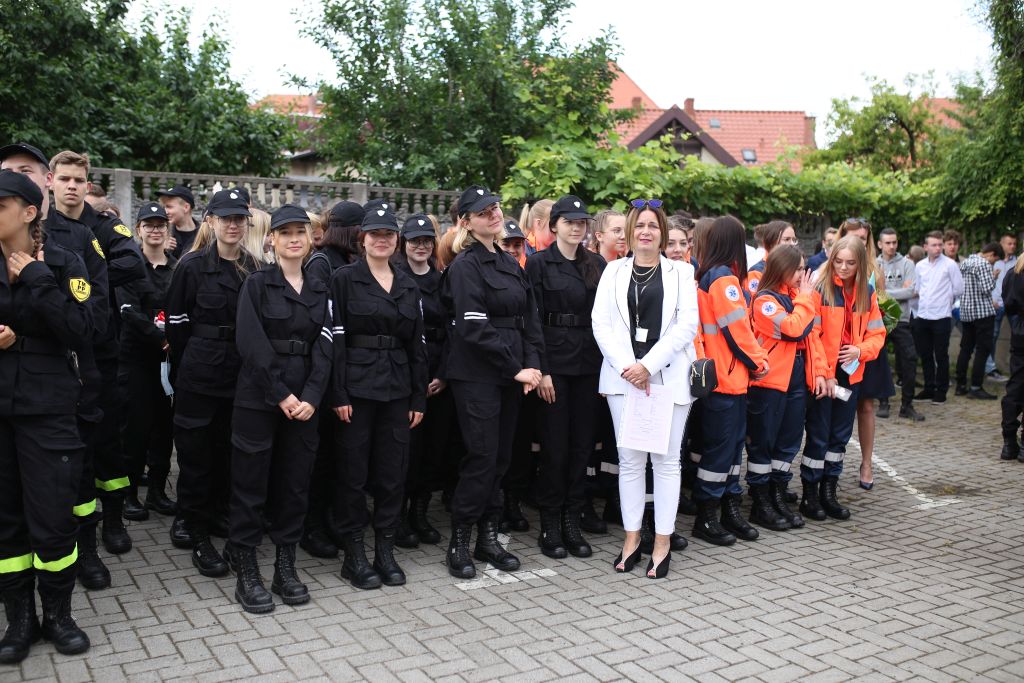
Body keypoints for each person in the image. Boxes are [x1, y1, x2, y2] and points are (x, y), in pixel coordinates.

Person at [1, 144, 113, 591]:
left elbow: (89, 325)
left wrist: (37, 280)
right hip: (8, 398)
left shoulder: (72, 247)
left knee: (63, 495)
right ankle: (19, 609)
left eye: (25, 170)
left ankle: (73, 579)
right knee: (10, 511)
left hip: (59, 392)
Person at [0, 170, 93, 660]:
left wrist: (38, 281)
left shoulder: (62, 261)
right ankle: (20, 620)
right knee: (5, 520)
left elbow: (83, 330)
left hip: (48, 407)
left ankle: (58, 614)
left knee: (54, 517)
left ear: (29, 212)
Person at [227, 205, 332, 613]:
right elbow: (250, 343)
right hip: (259, 398)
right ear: (271, 239)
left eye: (300, 232)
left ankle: (285, 567)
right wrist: (282, 394)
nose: (293, 239)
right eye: (284, 232)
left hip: (305, 402)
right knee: (250, 484)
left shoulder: (321, 288)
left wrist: (312, 396)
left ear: (310, 239)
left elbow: (327, 344)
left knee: (295, 485)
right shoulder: (256, 284)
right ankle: (247, 569)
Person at [48, 151, 147, 566]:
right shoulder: (41, 226)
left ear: (88, 185)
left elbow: (133, 262)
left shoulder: (104, 224)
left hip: (102, 352)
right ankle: (78, 533)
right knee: (73, 448)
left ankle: (114, 521)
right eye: (65, 179)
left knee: (108, 440)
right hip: (59, 355)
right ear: (51, 181)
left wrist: (89, 275)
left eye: (79, 180)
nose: (72, 186)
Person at [440, 185, 543, 579]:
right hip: (478, 374)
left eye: (495, 208)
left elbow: (528, 320)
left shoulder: (508, 262)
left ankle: (488, 537)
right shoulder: (465, 266)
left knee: (501, 457)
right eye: (484, 212)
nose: (494, 215)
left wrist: (532, 365)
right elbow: (473, 328)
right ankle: (459, 542)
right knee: (481, 457)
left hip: (510, 373)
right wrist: (515, 368)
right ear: (467, 222)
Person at [591, 198, 697, 578]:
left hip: (668, 379)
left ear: (662, 232)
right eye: (639, 225)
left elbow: (686, 326)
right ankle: (632, 538)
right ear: (630, 232)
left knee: (666, 462)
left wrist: (648, 366)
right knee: (631, 462)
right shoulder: (613, 271)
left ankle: (662, 541)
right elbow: (600, 323)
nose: (646, 231)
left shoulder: (681, 273)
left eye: (653, 225)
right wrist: (629, 368)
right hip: (623, 380)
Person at [330, 207, 428, 589]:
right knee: (352, 474)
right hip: (356, 390)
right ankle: (354, 555)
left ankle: (385, 551)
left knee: (392, 474)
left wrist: (418, 397)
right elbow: (335, 341)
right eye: (375, 234)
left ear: (396, 240)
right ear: (363, 239)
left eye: (388, 234)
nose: (382, 240)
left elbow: (416, 345)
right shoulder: (344, 279)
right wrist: (338, 391)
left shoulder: (407, 284)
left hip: (397, 390)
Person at [166, 189, 260, 577]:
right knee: (195, 456)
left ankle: (220, 513)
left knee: (228, 453)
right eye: (226, 218)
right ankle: (194, 526)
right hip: (200, 376)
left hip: (240, 377)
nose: (233, 225)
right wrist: (191, 363)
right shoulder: (191, 266)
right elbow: (177, 325)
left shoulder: (254, 268)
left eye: (239, 218)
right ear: (211, 221)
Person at [525, 195, 606, 560]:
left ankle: (572, 520)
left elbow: (606, 319)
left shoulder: (597, 263)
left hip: (588, 365)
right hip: (554, 367)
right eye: (569, 221)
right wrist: (541, 370)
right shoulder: (538, 264)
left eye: (581, 222)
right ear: (554, 225)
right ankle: (551, 524)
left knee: (582, 447)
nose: (576, 227)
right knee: (555, 449)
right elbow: (532, 320)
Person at [692, 215, 769, 546]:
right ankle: (708, 516)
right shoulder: (724, 279)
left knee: (731, 449)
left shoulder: (711, 275)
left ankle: (727, 508)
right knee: (722, 450)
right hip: (726, 379)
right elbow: (738, 330)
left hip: (727, 379)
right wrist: (759, 362)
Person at [801, 235, 886, 520]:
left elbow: (877, 333)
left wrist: (860, 351)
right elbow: (812, 336)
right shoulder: (821, 289)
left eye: (850, 263)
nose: (843, 268)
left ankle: (829, 492)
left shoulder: (866, 293)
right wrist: (824, 374)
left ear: (860, 263)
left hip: (850, 374)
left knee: (839, 436)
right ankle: (810, 495)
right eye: (838, 261)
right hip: (824, 376)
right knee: (819, 433)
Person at [298, 200, 365, 560]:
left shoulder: (348, 262)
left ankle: (330, 520)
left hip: (345, 372)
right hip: (324, 375)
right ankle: (311, 527)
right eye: (362, 229)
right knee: (319, 458)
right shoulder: (323, 263)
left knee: (337, 457)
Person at [746, 245, 826, 531]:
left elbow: (810, 333)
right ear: (782, 268)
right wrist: (805, 298)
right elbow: (793, 329)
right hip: (769, 381)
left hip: (795, 377)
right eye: (798, 269)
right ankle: (760, 502)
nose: (803, 274)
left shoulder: (795, 296)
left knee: (788, 441)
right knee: (763, 442)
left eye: (804, 268)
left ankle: (778, 496)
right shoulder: (765, 300)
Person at [394, 213, 453, 548]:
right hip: (406, 373)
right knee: (407, 452)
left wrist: (443, 374)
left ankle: (420, 512)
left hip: (438, 373)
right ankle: (399, 516)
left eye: (426, 241)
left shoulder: (442, 280)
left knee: (434, 449)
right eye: (414, 240)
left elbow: (452, 329)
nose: (421, 246)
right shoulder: (395, 276)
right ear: (404, 243)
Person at [117, 202, 178, 522]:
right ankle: (128, 495)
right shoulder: (129, 266)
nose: (155, 230)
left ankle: (157, 491)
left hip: (168, 362)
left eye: (160, 225)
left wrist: (174, 340)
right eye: (149, 225)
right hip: (137, 360)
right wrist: (161, 338)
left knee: (163, 429)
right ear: (138, 229)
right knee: (136, 428)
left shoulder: (177, 268)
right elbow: (128, 311)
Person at [837, 219, 893, 488]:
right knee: (840, 403)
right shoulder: (832, 267)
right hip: (841, 351)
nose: (858, 241)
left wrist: (884, 317)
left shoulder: (874, 270)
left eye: (863, 237)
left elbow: (881, 306)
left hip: (867, 349)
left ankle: (867, 463)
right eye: (853, 236)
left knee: (867, 405)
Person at [877, 228, 923, 421]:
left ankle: (907, 405)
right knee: (879, 360)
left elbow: (911, 291)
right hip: (879, 320)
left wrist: (884, 291)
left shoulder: (907, 264)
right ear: (880, 244)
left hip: (901, 319)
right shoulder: (874, 264)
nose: (892, 246)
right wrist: (896, 291)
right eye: (887, 242)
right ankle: (883, 402)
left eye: (894, 242)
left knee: (910, 358)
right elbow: (871, 291)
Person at [913, 230, 964, 405]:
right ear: (925, 247)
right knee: (925, 354)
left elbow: (959, 288)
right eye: (934, 245)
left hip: (942, 316)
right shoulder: (920, 266)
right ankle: (929, 388)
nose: (938, 248)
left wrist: (946, 300)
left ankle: (941, 391)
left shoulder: (950, 265)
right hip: (923, 315)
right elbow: (918, 289)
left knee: (941, 355)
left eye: (940, 245)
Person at [956, 243, 1003, 400]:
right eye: (995, 259)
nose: (994, 263)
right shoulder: (983, 264)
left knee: (966, 349)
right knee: (983, 350)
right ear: (991, 254)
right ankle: (976, 387)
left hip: (966, 312)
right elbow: (986, 288)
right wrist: (994, 277)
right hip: (982, 313)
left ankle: (960, 385)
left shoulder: (966, 262)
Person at [999, 255, 1024, 461]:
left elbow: (1008, 304)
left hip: (1019, 335)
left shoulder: (1013, 273)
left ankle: (1009, 442)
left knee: (1016, 385)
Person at [989, 232, 1018, 381]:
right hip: (996, 304)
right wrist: (990, 299)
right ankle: (991, 369)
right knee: (992, 336)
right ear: (1002, 244)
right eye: (1009, 243)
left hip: (1013, 305)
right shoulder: (993, 261)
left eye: (1014, 244)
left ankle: (1016, 369)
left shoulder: (1018, 262)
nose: (1012, 246)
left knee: (1018, 335)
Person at [157, 185, 201, 259]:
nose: (165, 212)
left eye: (169, 207)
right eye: (164, 207)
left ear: (186, 207)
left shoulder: (206, 236)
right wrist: (161, 250)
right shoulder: (161, 234)